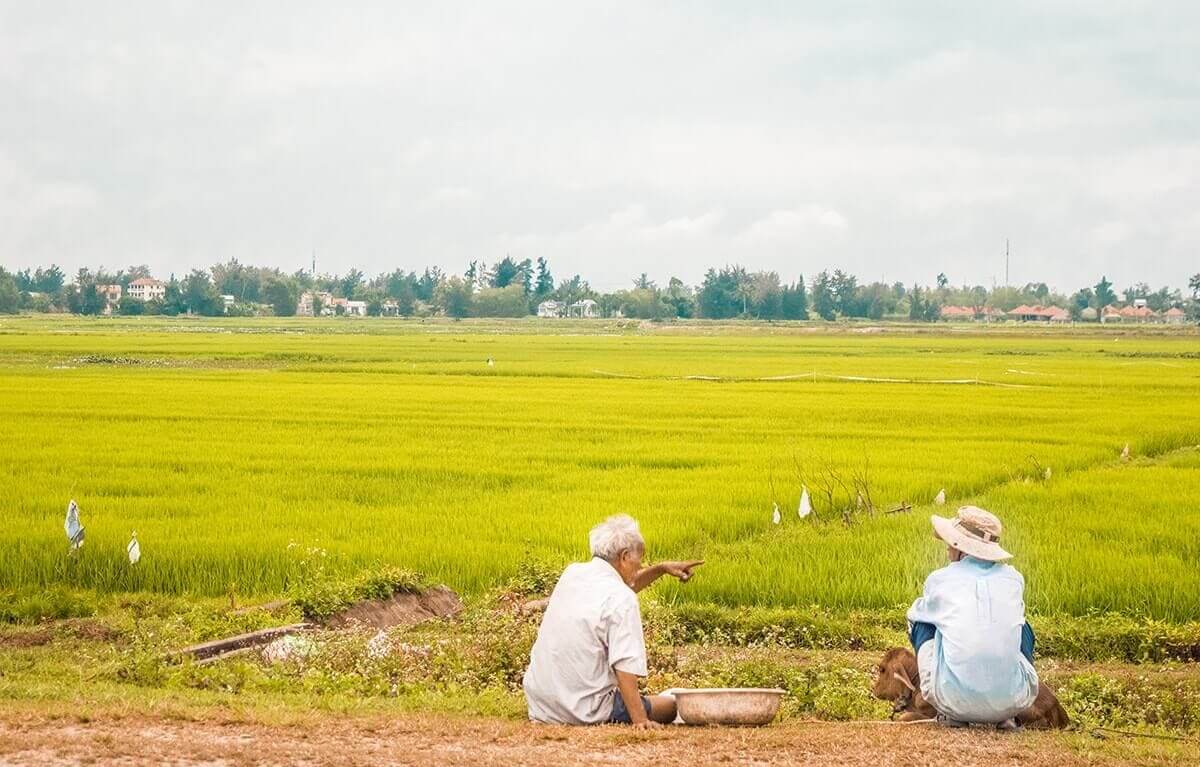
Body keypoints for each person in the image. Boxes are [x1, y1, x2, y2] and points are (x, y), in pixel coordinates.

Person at [523, 515, 703, 728]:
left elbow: (621, 587)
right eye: (640, 558)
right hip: (583, 710)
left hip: (541, 706)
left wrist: (661, 569)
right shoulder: (623, 599)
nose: (641, 564)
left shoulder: (573, 574)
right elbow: (624, 664)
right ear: (625, 556)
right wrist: (640, 719)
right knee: (670, 706)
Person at [907, 505, 1039, 728]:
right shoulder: (1014, 578)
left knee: (921, 621)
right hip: (1015, 701)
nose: (948, 549)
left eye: (950, 543)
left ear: (961, 548)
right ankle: (1004, 714)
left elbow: (916, 615)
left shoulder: (940, 579)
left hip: (951, 701)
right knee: (1022, 626)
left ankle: (950, 710)